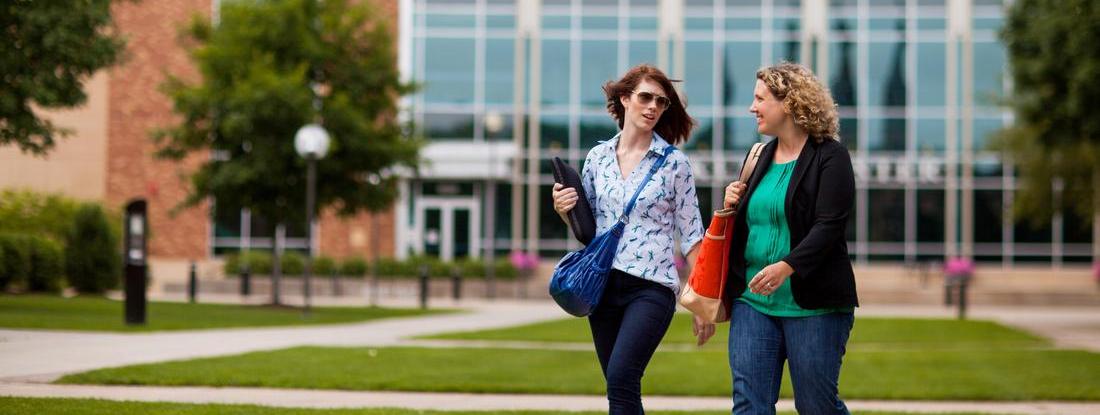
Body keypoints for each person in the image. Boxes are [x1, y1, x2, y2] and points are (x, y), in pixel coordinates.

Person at [550, 64, 710, 414]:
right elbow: (587, 228)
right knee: (619, 389)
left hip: (651, 288)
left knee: (622, 376)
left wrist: (701, 300)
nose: (653, 106)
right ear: (624, 99)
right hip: (601, 286)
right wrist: (563, 208)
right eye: (646, 97)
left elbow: (694, 237)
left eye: (662, 102)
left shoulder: (674, 164)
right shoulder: (597, 158)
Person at [721, 62, 858, 415]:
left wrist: (786, 266)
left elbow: (829, 226)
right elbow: (747, 228)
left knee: (816, 406)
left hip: (814, 304)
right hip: (752, 302)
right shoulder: (759, 156)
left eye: (760, 99)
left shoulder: (831, 156)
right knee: (750, 405)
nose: (753, 107)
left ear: (789, 103)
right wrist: (730, 204)